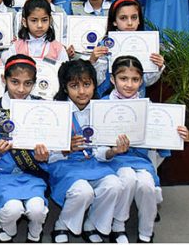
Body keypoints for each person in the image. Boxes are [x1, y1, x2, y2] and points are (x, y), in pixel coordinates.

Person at [104, 56, 188, 243]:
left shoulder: (149, 108)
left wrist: (177, 133)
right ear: (112, 79)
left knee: (146, 185)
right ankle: (118, 226)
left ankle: (146, 231)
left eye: (135, 79)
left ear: (141, 81)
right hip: (114, 160)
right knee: (127, 179)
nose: (129, 84)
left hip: (142, 160)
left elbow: (162, 134)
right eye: (123, 79)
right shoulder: (102, 105)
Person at [47, 59, 124, 243]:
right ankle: (61, 225)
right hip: (64, 164)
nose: (82, 92)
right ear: (65, 88)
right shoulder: (54, 111)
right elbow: (48, 156)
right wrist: (65, 149)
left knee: (114, 184)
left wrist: (112, 152)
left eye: (87, 84)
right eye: (74, 86)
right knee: (83, 191)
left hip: (94, 163)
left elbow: (101, 151)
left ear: (94, 85)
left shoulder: (102, 111)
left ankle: (91, 224)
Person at [0, 54, 50, 243]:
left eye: (27, 84)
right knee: (12, 209)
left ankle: (35, 233)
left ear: (35, 83)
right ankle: (5, 228)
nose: (20, 89)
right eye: (14, 82)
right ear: (4, 79)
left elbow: (54, 147)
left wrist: (45, 155)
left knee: (36, 209)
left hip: (32, 172)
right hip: (2, 173)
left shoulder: (42, 108)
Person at [1, 0, 68, 64]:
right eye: (34, 20)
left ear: (50, 20)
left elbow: (64, 70)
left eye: (44, 20)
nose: (40, 25)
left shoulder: (58, 48)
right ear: (24, 22)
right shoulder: (16, 47)